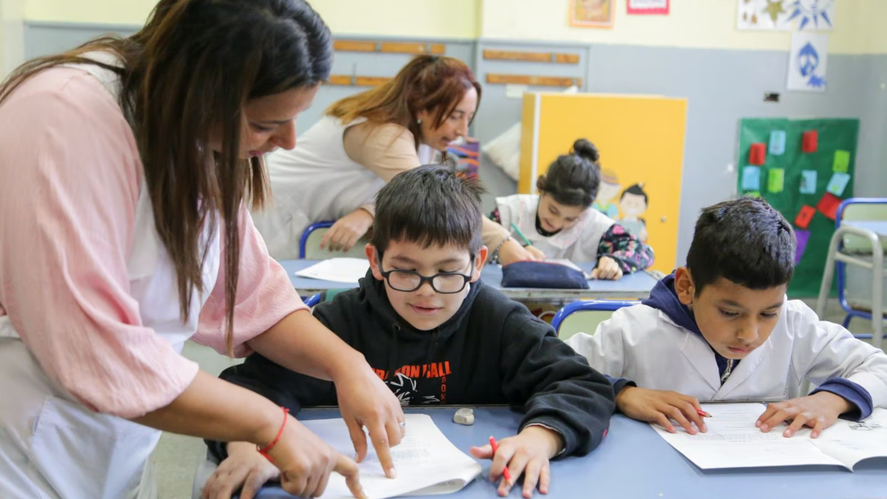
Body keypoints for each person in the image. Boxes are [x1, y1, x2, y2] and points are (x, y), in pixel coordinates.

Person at [0, 2, 406, 498]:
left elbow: (250, 298)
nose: (288, 140)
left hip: (112, 440)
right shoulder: (62, 116)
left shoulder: (194, 140)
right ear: (199, 90)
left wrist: (348, 365)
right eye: (264, 123)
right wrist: (268, 425)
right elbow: (93, 349)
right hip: (19, 441)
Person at [203, 166, 616, 499]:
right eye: (406, 270)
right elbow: (246, 391)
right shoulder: (341, 324)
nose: (427, 290)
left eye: (447, 271)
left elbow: (582, 384)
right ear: (376, 260)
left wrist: (539, 440)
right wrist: (248, 448)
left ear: (477, 263)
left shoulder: (498, 321)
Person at [567, 197, 887, 438]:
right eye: (730, 312)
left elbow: (879, 367)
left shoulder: (796, 324)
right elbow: (552, 370)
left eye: (768, 313)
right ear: (686, 286)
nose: (750, 334)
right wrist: (622, 392)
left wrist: (833, 399)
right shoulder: (633, 330)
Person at [250, 55, 539, 264]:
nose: (463, 131)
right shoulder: (383, 133)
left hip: (305, 229)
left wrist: (367, 211)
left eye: (469, 118)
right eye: (455, 116)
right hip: (272, 217)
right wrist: (504, 244)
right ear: (421, 107)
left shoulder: (422, 139)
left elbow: (404, 191)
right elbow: (435, 199)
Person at [490, 139, 654, 280]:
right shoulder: (509, 212)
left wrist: (615, 261)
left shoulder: (596, 226)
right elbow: (472, 246)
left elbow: (644, 252)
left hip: (570, 311)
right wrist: (506, 249)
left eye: (571, 219)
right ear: (542, 189)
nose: (557, 222)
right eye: (553, 210)